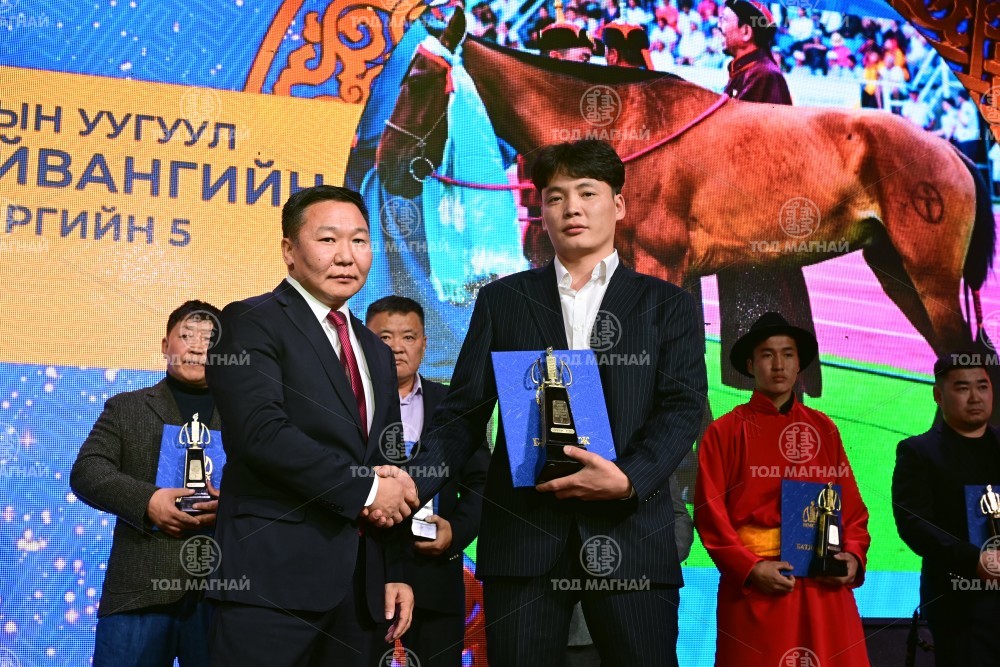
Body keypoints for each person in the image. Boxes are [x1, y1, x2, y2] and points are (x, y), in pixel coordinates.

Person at [417, 139, 707, 667]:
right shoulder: (503, 300)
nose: (571, 207)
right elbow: (462, 412)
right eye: (555, 196)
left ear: (619, 204)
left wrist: (628, 478)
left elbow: (683, 407)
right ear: (541, 212)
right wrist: (409, 486)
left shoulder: (666, 303)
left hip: (630, 536)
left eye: (587, 193)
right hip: (522, 539)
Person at [204, 185, 419, 666]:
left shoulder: (375, 349)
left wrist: (395, 567)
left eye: (359, 241)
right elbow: (262, 434)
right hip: (271, 583)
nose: (346, 256)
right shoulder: (249, 321)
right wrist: (368, 491)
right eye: (328, 240)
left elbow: (388, 460)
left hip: (361, 592)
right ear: (289, 250)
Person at [694, 312, 871, 666]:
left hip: (823, 584)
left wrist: (853, 556)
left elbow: (852, 510)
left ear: (799, 364)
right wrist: (750, 569)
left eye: (788, 354)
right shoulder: (724, 432)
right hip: (759, 586)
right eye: (767, 354)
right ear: (750, 365)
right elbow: (710, 515)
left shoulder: (824, 429)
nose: (779, 365)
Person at [70, 301, 222, 667]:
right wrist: (148, 501)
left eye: (209, 339)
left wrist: (232, 504)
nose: (197, 347)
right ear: (165, 345)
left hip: (223, 594)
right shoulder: (127, 407)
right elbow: (88, 471)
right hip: (139, 590)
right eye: (187, 336)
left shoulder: (248, 418)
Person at [366, 295, 490, 667]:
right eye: (385, 338)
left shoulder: (453, 404)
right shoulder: (349, 403)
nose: (397, 348)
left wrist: (456, 532)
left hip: (435, 573)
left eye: (408, 337)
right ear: (366, 343)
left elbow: (481, 481)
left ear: (424, 343)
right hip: (366, 576)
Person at [715, 0, 822, 403]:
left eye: (724, 21)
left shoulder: (763, 76)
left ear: (746, 31)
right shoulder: (743, 75)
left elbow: (761, 153)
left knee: (772, 310)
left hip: (761, 226)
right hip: (745, 225)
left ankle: (786, 407)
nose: (718, 26)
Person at [892, 354, 1000, 663]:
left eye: (982, 386)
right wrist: (974, 560)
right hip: (960, 606)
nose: (975, 397)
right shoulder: (919, 451)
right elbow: (913, 523)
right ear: (939, 396)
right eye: (962, 388)